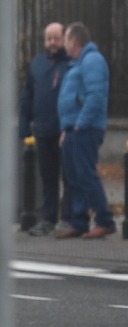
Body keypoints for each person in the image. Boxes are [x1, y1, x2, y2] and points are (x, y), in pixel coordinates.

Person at [55, 22, 116, 239]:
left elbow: (96, 96)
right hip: (73, 128)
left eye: (65, 40)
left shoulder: (92, 61)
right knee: (74, 176)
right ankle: (78, 220)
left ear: (74, 41)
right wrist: (66, 128)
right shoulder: (77, 64)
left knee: (85, 174)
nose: (63, 45)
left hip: (86, 128)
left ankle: (104, 219)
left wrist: (81, 123)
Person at [18, 22, 71, 235]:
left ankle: (68, 219)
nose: (52, 43)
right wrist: (24, 123)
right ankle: (48, 219)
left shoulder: (71, 65)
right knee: (48, 177)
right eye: (48, 38)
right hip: (42, 129)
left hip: (64, 130)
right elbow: (28, 95)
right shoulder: (38, 64)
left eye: (56, 38)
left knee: (69, 177)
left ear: (64, 39)